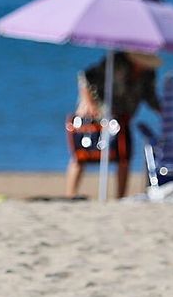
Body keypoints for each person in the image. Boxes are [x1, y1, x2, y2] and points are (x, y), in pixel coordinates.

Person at [63, 51, 161, 199]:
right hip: (97, 115)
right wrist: (89, 103)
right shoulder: (116, 62)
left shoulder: (148, 73)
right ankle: (70, 194)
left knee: (124, 156)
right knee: (81, 154)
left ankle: (120, 197)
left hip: (122, 118)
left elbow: (150, 96)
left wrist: (164, 111)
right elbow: (85, 77)